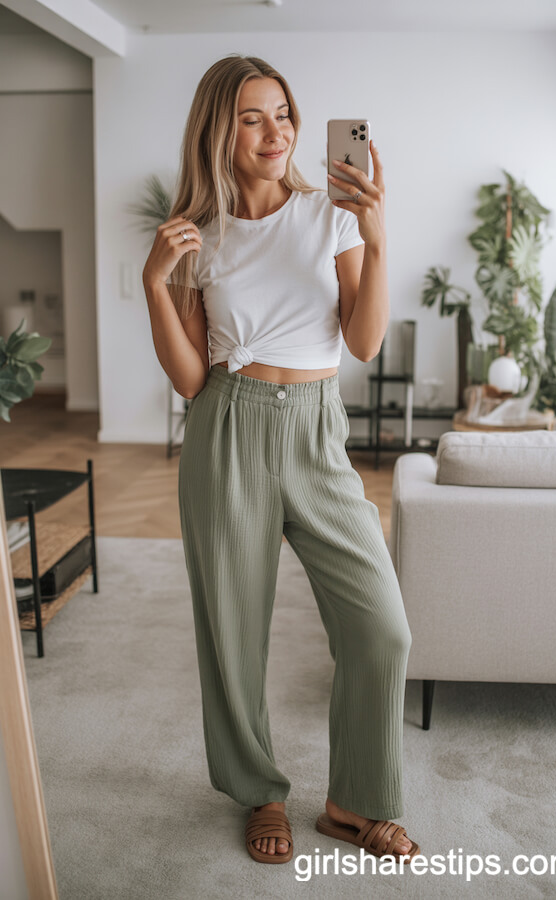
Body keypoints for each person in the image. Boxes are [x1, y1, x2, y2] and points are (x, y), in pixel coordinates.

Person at [142, 54, 420, 866]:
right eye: (252, 117)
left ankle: (353, 801)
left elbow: (363, 341)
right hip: (228, 425)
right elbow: (192, 377)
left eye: (284, 114)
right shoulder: (199, 234)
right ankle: (258, 789)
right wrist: (158, 282)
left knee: (383, 628)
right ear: (217, 130)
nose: (276, 132)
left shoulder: (329, 215)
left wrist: (374, 232)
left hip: (316, 428)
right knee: (232, 630)